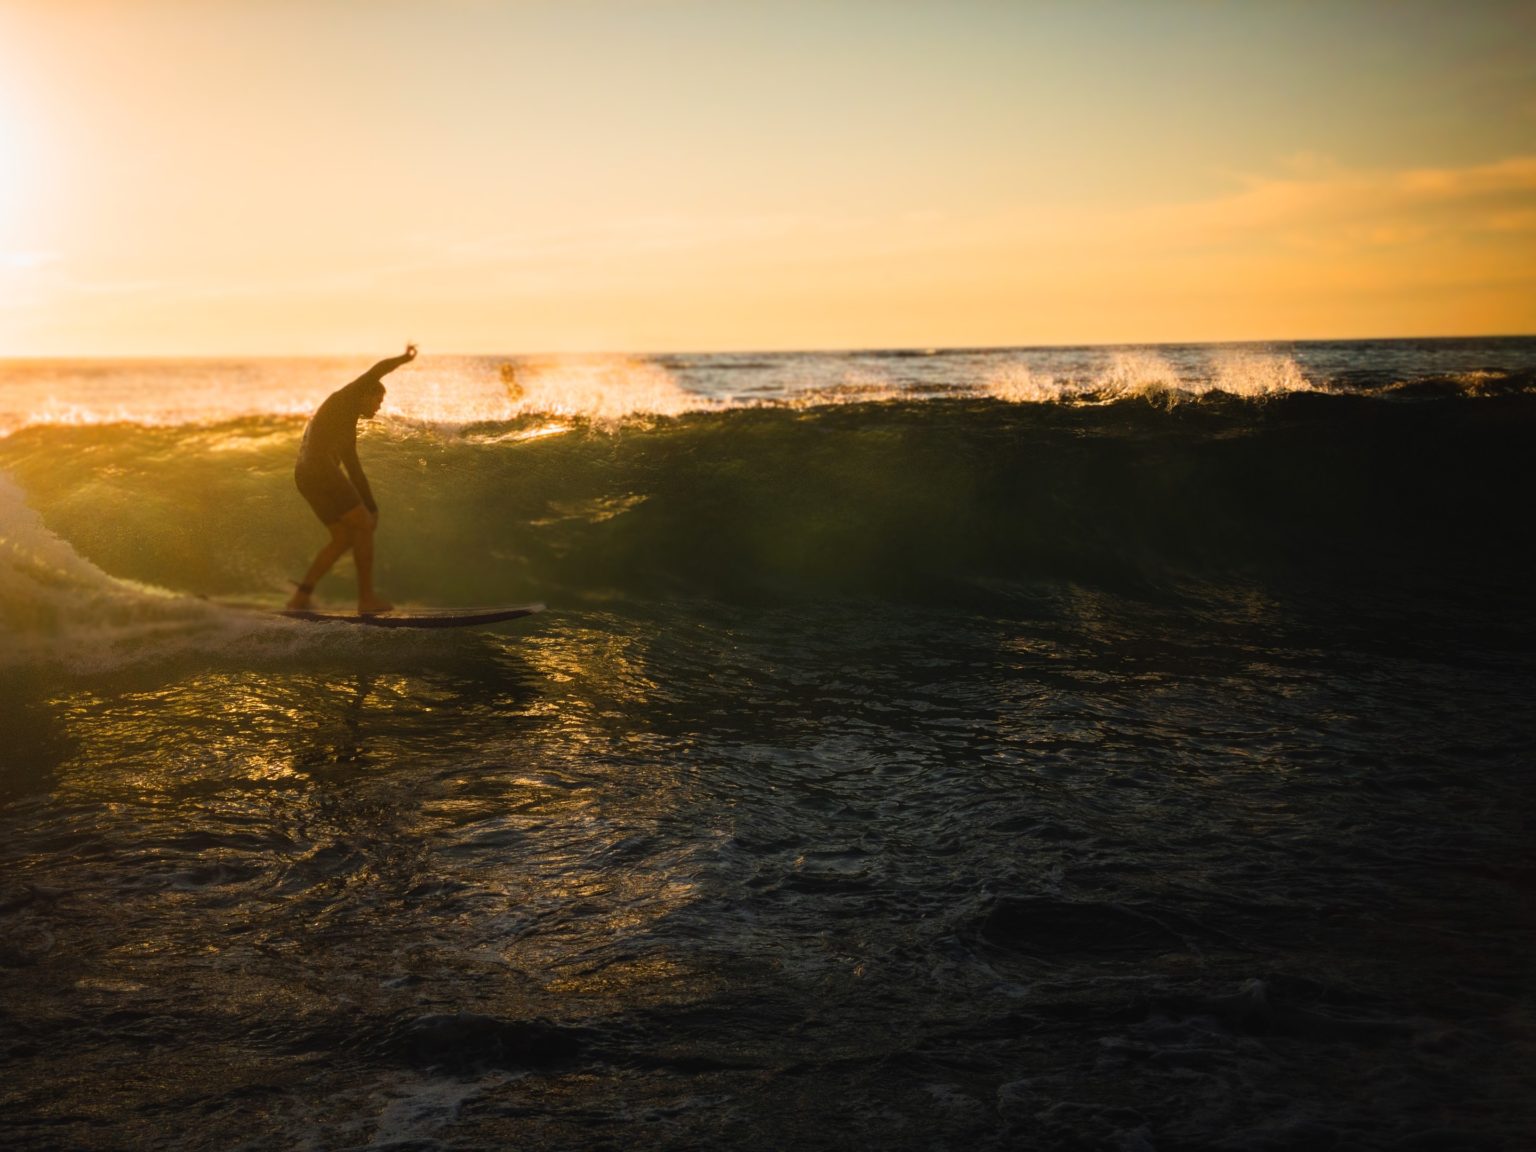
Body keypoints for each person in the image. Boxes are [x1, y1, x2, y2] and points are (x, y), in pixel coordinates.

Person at [286, 344, 416, 613]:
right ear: (365, 394)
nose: (378, 407)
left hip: (304, 475)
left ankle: (301, 596)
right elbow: (378, 370)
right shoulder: (347, 397)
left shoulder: (345, 426)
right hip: (319, 468)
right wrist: (404, 358)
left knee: (343, 537)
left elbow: (354, 468)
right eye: (377, 401)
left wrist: (372, 506)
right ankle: (366, 599)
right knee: (364, 527)